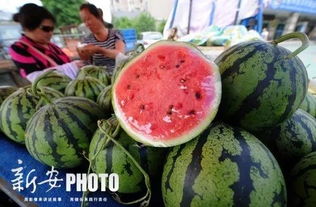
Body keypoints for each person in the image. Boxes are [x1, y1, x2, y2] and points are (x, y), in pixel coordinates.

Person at [9, 3, 83, 81]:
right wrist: (70, 68)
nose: (50, 33)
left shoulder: (53, 46)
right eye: (46, 29)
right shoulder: (19, 48)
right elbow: (34, 77)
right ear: (29, 27)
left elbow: (68, 64)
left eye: (52, 29)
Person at [78, 3, 125, 75]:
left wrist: (99, 50)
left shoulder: (116, 34)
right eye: (84, 21)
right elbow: (86, 64)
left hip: (118, 74)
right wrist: (82, 54)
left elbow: (120, 54)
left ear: (98, 17)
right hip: (98, 79)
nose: (87, 23)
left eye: (88, 19)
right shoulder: (87, 41)